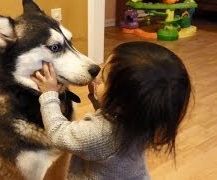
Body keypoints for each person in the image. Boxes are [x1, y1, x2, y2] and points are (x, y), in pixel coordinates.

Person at [31, 41, 191, 179]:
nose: (98, 77)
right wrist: (97, 97)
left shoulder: (98, 134)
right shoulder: (146, 118)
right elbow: (114, 115)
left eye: (105, 78)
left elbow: (58, 134)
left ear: (121, 102)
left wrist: (49, 95)